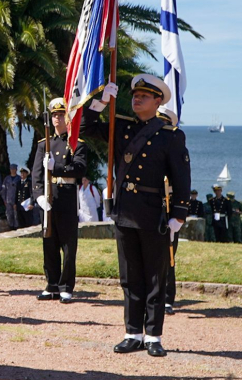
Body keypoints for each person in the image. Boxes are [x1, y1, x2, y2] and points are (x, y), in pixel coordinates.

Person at [80, 74, 190, 357]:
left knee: (155, 276)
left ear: (158, 101)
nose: (137, 98)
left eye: (144, 95)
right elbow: (84, 128)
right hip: (125, 210)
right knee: (130, 276)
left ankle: (153, 335)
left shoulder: (170, 135)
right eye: (135, 94)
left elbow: (181, 178)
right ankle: (133, 333)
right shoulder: (121, 127)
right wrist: (100, 103)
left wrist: (179, 214)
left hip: (153, 213)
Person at [32, 97, 88, 303]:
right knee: (49, 241)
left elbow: (80, 168)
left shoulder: (77, 143)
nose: (57, 118)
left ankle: (66, 286)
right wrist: (38, 196)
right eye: (54, 115)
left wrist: (56, 167)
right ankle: (52, 284)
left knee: (68, 244)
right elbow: (36, 174)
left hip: (66, 196)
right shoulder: (42, 144)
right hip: (48, 196)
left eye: (61, 114)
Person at [157, 107, 188, 315]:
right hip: (151, 204)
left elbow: (182, 180)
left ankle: (167, 297)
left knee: (168, 253)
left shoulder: (176, 145)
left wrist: (179, 214)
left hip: (168, 205)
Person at [1, 164, 20, 230]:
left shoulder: (19, 179)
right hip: (8, 200)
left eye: (14, 169)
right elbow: (3, 190)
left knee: (16, 215)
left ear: (16, 170)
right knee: (9, 214)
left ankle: (16, 227)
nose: (12, 170)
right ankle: (10, 227)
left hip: (16, 200)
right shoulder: (7, 179)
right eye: (11, 169)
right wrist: (4, 199)